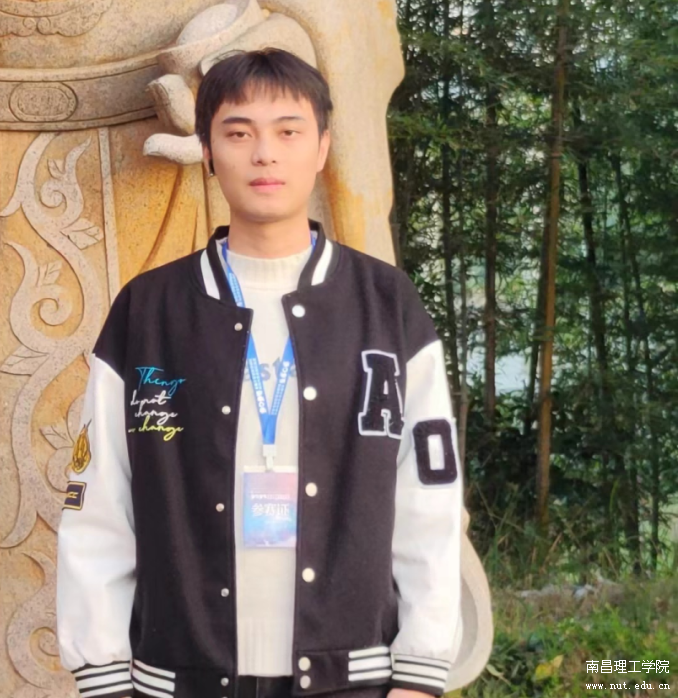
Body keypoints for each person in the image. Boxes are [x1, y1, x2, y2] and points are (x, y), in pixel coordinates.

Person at [56, 48, 462, 698]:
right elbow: (98, 499)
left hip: (353, 678)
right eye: (239, 133)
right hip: (181, 678)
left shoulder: (386, 305)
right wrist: (102, 671)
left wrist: (420, 670)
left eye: (288, 132)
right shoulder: (150, 311)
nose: (264, 154)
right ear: (208, 151)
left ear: (322, 147)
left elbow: (429, 498)